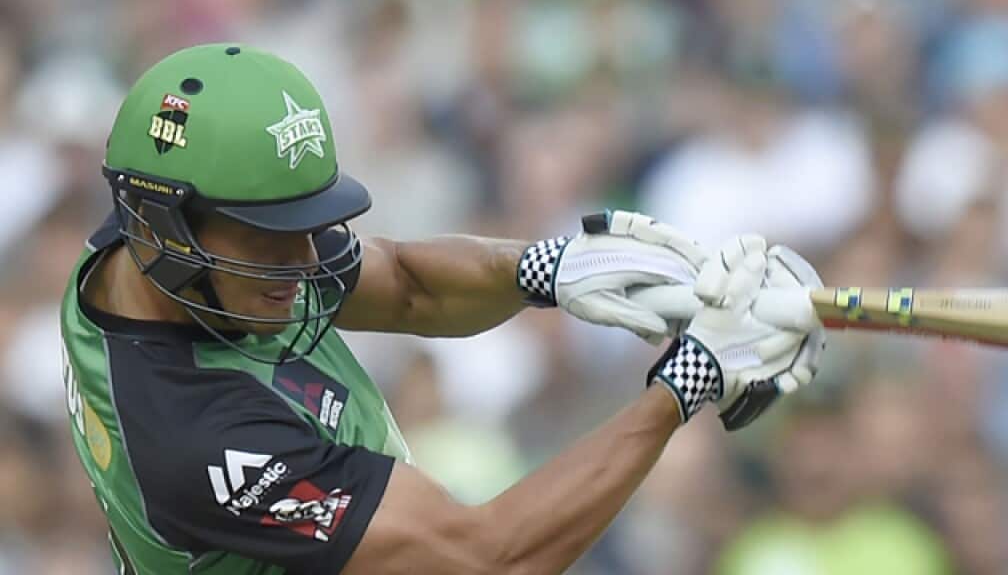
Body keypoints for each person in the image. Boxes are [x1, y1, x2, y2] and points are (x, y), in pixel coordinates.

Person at [60, 43, 825, 574]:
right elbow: (490, 557)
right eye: (268, 239)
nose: (304, 264)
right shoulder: (189, 437)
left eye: (305, 226)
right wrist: (687, 383)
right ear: (160, 222)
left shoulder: (153, 255)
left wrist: (547, 266)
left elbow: (407, 283)